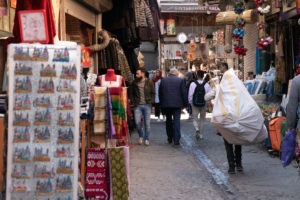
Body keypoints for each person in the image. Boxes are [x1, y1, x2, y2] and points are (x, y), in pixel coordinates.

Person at [205, 63, 243, 174]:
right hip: (237, 118)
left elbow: (206, 97)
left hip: (225, 120)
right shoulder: (238, 88)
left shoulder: (219, 88)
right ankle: (239, 164)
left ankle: (231, 167)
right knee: (237, 142)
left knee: (228, 143)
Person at [159, 68, 188, 145]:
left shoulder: (163, 80)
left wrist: (161, 105)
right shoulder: (180, 80)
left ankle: (169, 138)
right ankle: (176, 139)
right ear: (175, 73)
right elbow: (184, 93)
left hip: (166, 104)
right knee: (176, 121)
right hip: (177, 104)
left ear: (170, 73)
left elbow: (160, 93)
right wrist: (186, 104)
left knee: (168, 121)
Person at [129, 68, 155, 146]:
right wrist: (133, 101)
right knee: (137, 122)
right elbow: (131, 93)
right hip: (138, 105)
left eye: (138, 74)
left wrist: (151, 102)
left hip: (147, 105)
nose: (136, 75)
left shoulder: (149, 82)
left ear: (143, 74)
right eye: (136, 74)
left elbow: (153, 93)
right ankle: (141, 135)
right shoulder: (134, 83)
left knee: (147, 124)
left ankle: (146, 139)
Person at [188, 70, 211, 140]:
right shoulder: (207, 85)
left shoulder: (193, 84)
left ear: (197, 75)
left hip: (195, 104)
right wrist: (207, 103)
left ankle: (197, 129)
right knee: (202, 119)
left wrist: (191, 102)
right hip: (203, 103)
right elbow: (208, 95)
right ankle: (200, 134)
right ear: (203, 76)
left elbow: (190, 95)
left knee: (194, 118)